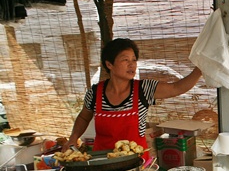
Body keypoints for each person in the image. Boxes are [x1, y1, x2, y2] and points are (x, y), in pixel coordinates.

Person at [64, 38, 202, 157]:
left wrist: (201, 68)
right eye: (125, 60)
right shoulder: (95, 93)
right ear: (109, 64)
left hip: (136, 164)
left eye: (134, 60)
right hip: (103, 163)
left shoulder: (143, 89)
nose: (132, 65)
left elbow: (177, 88)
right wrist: (73, 138)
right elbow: (83, 117)